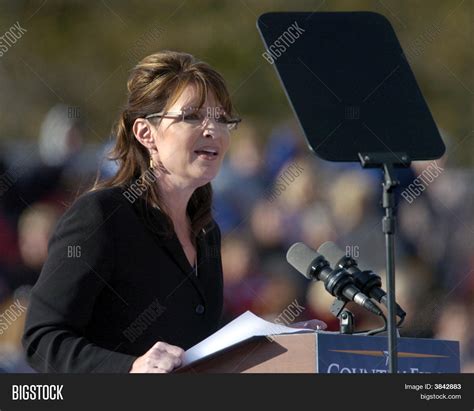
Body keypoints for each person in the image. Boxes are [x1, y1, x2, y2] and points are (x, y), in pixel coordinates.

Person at [22, 50, 240, 373]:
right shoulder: (101, 217)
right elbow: (42, 339)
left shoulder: (207, 233)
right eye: (192, 116)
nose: (213, 129)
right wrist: (131, 369)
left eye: (221, 117)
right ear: (145, 133)